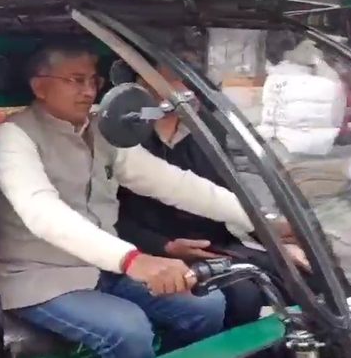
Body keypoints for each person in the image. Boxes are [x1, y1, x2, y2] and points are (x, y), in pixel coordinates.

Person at [0, 42, 259, 358]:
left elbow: (171, 183)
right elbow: (43, 213)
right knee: (130, 330)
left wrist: (257, 220)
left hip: (105, 269)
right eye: (76, 80)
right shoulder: (13, 136)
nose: (89, 91)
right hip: (42, 278)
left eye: (94, 81)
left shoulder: (101, 130)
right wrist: (133, 260)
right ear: (40, 86)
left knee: (207, 306)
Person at [114, 64, 306, 330]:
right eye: (169, 77)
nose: (180, 85)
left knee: (299, 276)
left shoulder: (208, 131)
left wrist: (275, 238)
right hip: (153, 250)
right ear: (139, 83)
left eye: (185, 78)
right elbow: (108, 213)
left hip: (214, 242)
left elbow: (229, 192)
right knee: (242, 295)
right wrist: (163, 246)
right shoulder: (120, 137)